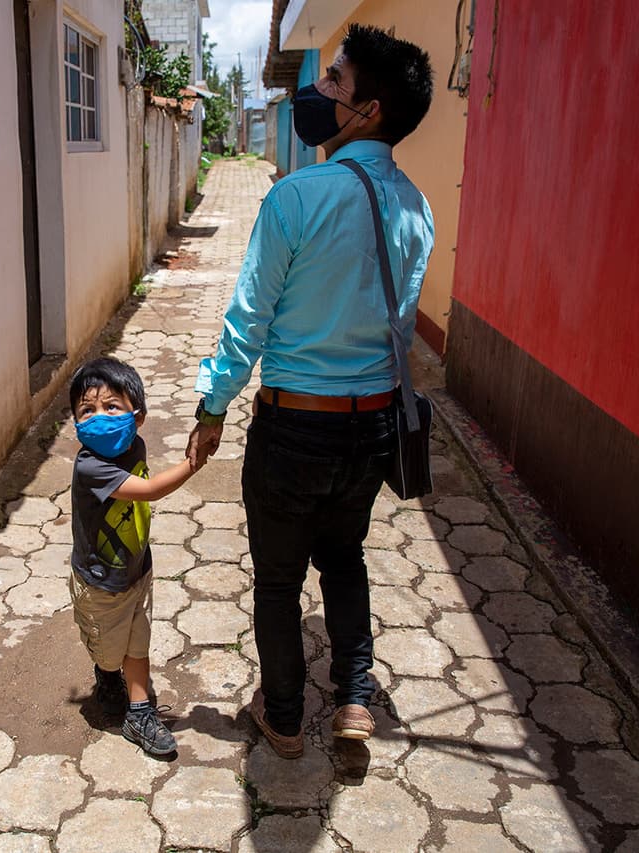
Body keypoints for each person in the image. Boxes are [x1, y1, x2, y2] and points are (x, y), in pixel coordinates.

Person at [187, 24, 435, 759]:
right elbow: (400, 329)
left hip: (295, 427)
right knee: (345, 556)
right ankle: (354, 696)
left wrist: (211, 405)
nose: (318, 90)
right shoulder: (418, 208)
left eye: (335, 81)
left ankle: (287, 717)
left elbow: (248, 321)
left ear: (369, 110)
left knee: (277, 578)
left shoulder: (296, 197)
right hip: (372, 428)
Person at [69, 357, 203, 755]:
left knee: (137, 644)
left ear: (138, 417)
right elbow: (150, 490)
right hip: (100, 585)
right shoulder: (91, 466)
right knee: (111, 653)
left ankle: (140, 713)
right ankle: (107, 674)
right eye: (87, 410)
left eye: (112, 406)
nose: (99, 417)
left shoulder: (135, 446)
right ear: (75, 423)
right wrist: (193, 463)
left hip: (137, 570)